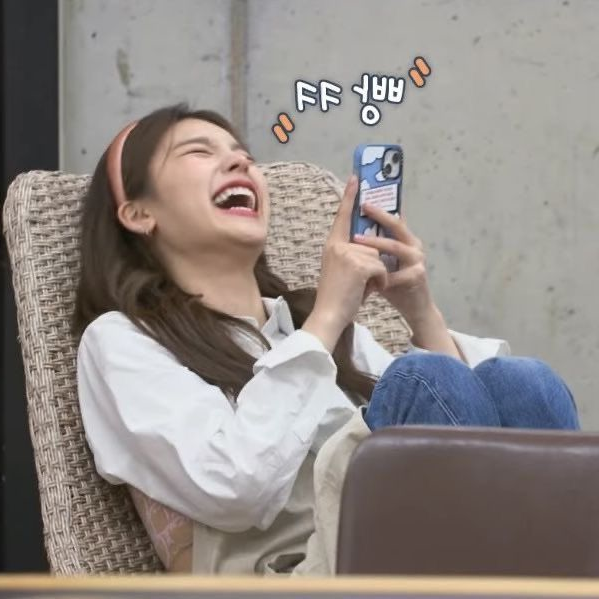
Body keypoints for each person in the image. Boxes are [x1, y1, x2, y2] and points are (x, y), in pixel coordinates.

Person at [72, 103, 579, 576]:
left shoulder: (303, 325)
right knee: (423, 380)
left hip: (403, 550)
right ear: (139, 213)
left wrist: (420, 311)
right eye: (199, 152)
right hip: (296, 576)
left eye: (244, 155)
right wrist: (330, 314)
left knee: (523, 383)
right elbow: (234, 488)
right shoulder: (121, 340)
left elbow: (465, 413)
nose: (240, 162)